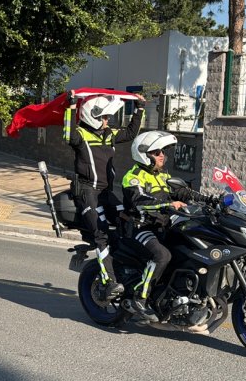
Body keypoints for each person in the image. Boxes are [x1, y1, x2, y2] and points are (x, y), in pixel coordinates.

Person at [121, 130, 212, 321]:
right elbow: (140, 201)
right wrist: (168, 204)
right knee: (162, 255)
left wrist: (211, 200)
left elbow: (183, 192)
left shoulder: (163, 175)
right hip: (141, 227)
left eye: (163, 151)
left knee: (190, 248)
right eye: (157, 152)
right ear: (144, 154)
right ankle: (140, 297)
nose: (162, 155)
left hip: (163, 227)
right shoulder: (133, 177)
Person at [64, 93, 146, 300]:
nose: (107, 121)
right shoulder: (80, 135)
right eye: (104, 117)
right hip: (87, 192)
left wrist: (140, 108)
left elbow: (130, 133)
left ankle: (127, 268)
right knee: (101, 235)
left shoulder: (109, 134)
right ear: (92, 116)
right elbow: (67, 133)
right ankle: (109, 282)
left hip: (106, 193)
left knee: (130, 220)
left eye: (108, 118)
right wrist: (71, 105)